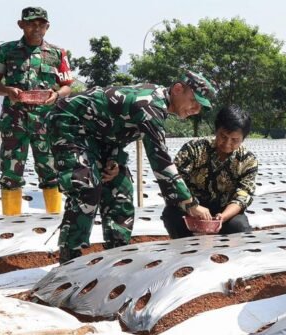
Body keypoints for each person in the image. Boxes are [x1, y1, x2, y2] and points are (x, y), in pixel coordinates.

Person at [47, 71, 217, 262]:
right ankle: (69, 258)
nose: (196, 109)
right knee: (87, 185)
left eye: (200, 106)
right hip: (69, 123)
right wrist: (190, 204)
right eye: (194, 101)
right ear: (178, 89)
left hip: (99, 136)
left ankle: (117, 254)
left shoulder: (158, 102)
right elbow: (161, 160)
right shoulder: (150, 107)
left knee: (120, 184)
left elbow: (118, 128)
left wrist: (115, 160)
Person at [0, 6, 73, 215]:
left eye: (41, 24)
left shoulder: (57, 53)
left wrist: (57, 95)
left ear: (47, 26)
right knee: (10, 173)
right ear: (21, 25)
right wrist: (7, 90)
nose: (36, 28)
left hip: (45, 122)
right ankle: (10, 225)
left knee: (51, 171)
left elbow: (67, 85)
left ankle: (53, 220)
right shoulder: (6, 51)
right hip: (14, 121)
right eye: (31, 23)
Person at [162, 105, 258, 238]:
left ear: (243, 138)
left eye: (234, 140)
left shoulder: (247, 160)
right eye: (223, 136)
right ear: (216, 131)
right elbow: (174, 182)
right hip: (192, 208)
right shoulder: (194, 149)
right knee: (171, 215)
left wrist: (222, 217)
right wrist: (192, 207)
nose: (227, 143)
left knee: (239, 226)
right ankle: (185, 254)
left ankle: (229, 257)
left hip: (224, 210)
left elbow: (243, 195)